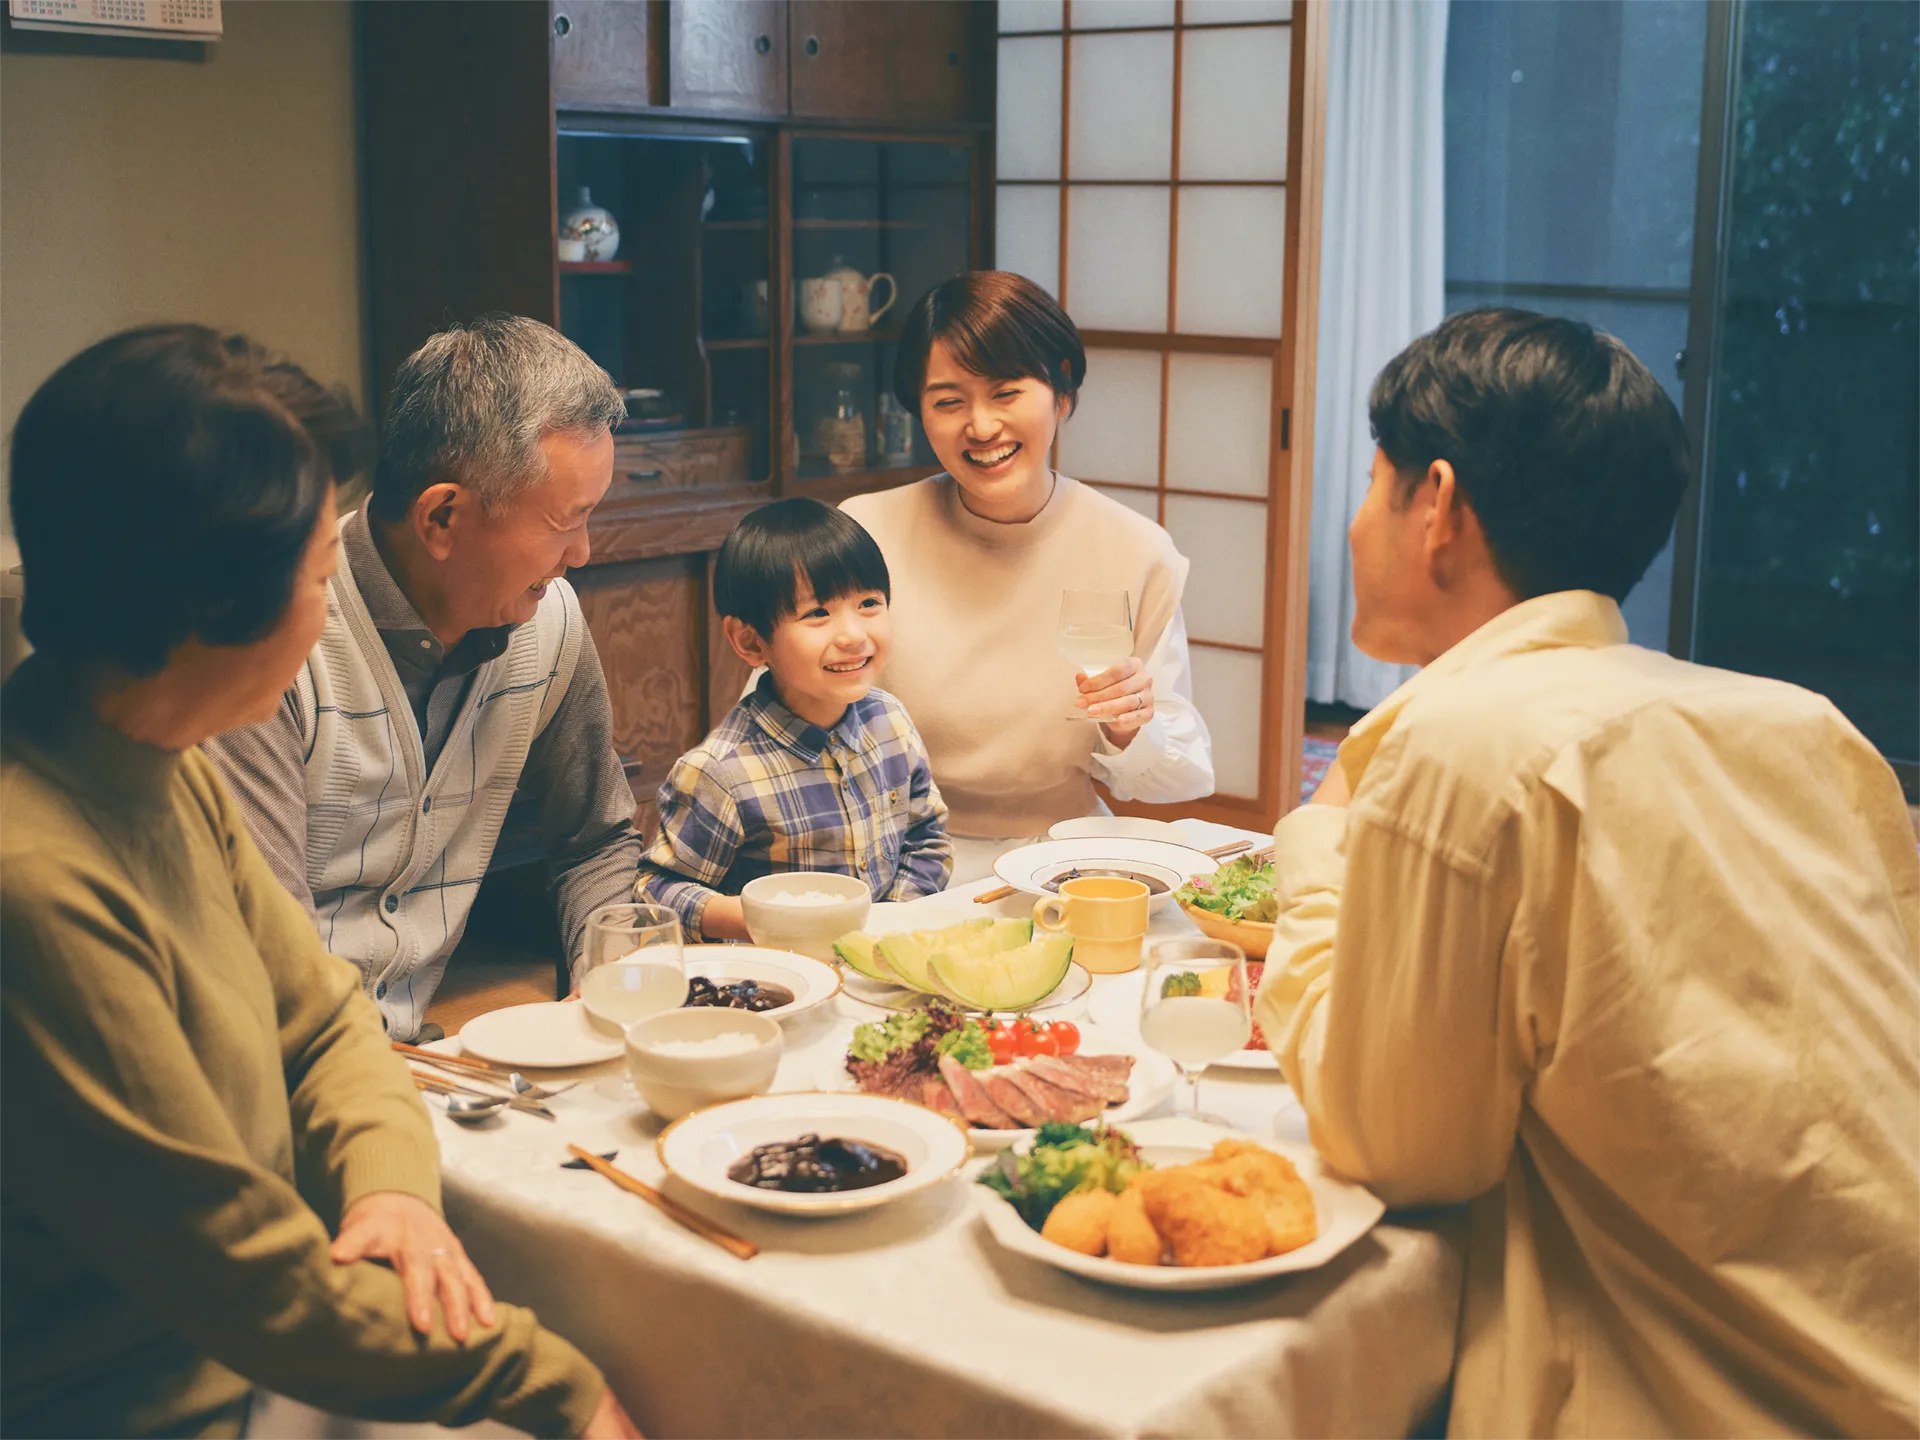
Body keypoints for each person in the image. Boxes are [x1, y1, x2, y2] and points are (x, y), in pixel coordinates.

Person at [1255, 308, 1920, 1437]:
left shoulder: (1467, 740)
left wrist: (1317, 856)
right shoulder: (1807, 725)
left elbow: (1399, 1145)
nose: (1356, 524)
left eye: (1374, 483)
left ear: (1439, 507)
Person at [0, 325, 643, 1438]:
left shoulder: (145, 758)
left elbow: (321, 1017)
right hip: (160, 1397)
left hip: (269, 1334)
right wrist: (560, 1390)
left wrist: (391, 1183)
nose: (332, 594)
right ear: (203, 611)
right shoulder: (38, 885)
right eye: (312, 573)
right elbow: (246, 1278)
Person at [204, 314, 643, 1034]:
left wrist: (608, 997)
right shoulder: (277, 645)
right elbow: (266, 947)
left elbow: (594, 838)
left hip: (418, 1054)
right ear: (442, 518)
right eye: (568, 521)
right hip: (297, 1063)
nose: (583, 553)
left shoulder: (550, 619)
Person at [842, 271, 1213, 882]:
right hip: (888, 856)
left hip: (1060, 858)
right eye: (948, 401)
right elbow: (775, 712)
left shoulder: (1134, 549)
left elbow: (1179, 774)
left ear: (1061, 392)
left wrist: (1127, 728)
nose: (982, 427)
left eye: (1007, 392)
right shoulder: (865, 533)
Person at [639, 498, 951, 938]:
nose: (853, 635)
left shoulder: (890, 721)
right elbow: (658, 892)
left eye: (868, 603)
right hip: (775, 976)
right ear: (750, 641)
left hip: (882, 963)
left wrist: (890, 921)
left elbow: (926, 838)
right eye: (817, 614)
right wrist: (767, 921)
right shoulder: (721, 772)